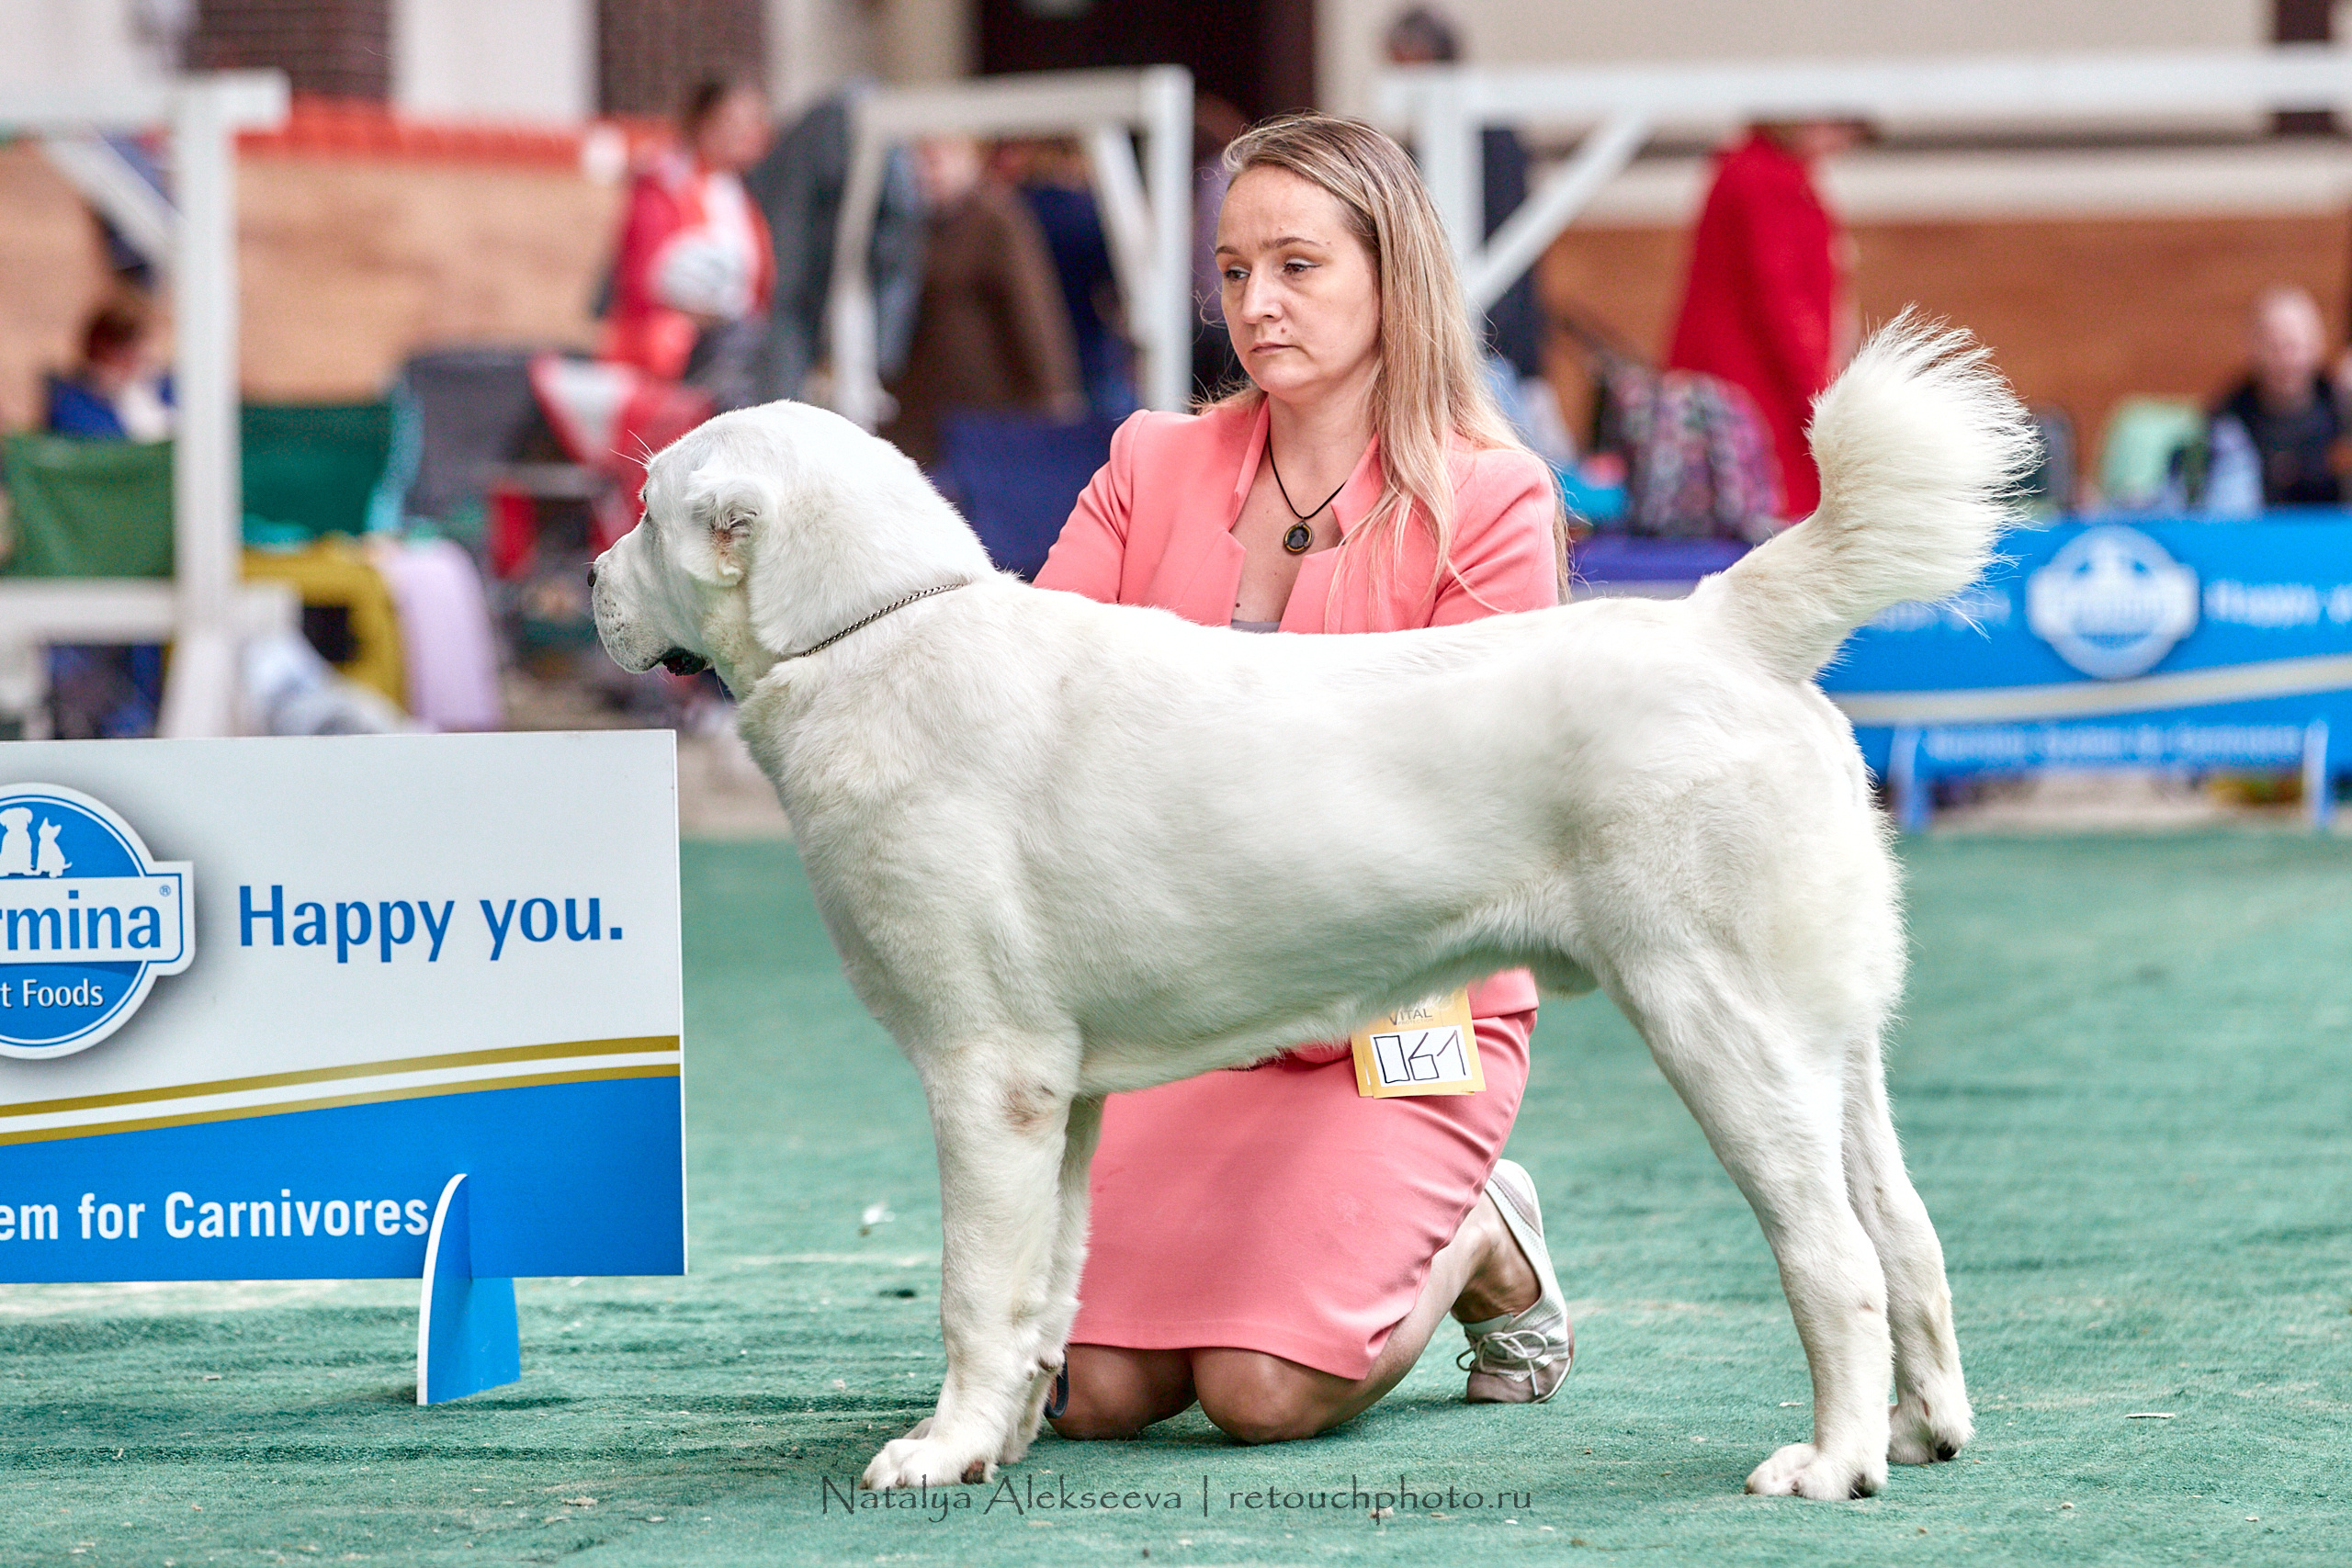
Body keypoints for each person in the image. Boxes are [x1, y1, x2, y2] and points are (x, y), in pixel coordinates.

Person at [1035, 112, 1574, 1445]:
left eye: (1297, 265)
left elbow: (1473, 820)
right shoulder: (1146, 463)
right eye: (1231, 273)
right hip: (1191, 1005)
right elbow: (1033, 703)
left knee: (1262, 1394)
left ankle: (1488, 1234)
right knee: (1094, 1391)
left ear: (1392, 274)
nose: (1256, 305)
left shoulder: (1494, 500)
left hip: (1399, 1010)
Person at [1665, 121, 1861, 520]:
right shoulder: (1761, 176)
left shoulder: (1779, 172)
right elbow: (1779, 301)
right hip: (1760, 400)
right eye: (1841, 128)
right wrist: (1822, 398)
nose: (1841, 144)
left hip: (1771, 391)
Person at [880, 136, 1083, 468]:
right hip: (919, 404)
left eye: (935, 159)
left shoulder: (996, 218)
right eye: (916, 160)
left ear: (968, 159)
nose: (926, 172)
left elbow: (1034, 310)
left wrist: (1057, 395)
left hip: (985, 405)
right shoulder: (905, 221)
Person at [602, 79, 775, 410]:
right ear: (703, 123)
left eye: (754, 123)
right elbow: (646, 278)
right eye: (733, 122)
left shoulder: (740, 190)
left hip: (739, 343)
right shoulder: (666, 184)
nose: (748, 134)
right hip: (684, 352)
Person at [2208, 284, 2347, 508]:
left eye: (2294, 347)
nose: (2286, 361)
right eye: (2274, 348)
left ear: (2318, 345)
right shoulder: (2228, 416)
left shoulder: (2341, 406)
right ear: (2252, 348)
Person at [44, 291, 172, 441]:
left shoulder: (164, 388)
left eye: (135, 353)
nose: (130, 363)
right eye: (121, 354)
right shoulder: (71, 402)